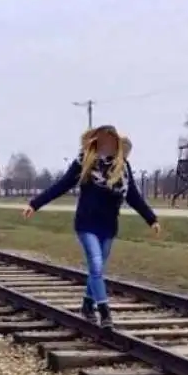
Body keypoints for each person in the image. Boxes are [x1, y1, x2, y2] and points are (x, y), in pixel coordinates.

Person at [22, 125, 160, 328]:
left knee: (97, 269)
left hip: (109, 226)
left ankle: (87, 304)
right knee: (96, 266)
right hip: (86, 223)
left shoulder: (122, 168)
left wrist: (151, 219)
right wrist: (35, 204)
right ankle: (104, 312)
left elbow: (133, 197)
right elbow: (62, 184)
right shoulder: (84, 162)